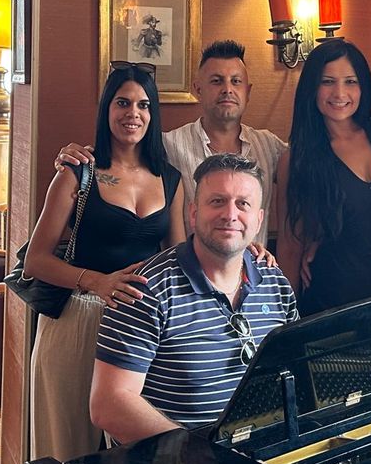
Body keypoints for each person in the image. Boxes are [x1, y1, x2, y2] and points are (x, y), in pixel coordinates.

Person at [24, 62, 185, 461]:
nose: (134, 113)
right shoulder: (78, 172)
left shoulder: (171, 179)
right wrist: (97, 282)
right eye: (123, 103)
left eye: (144, 105)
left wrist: (248, 253)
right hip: (77, 319)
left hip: (139, 327)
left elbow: (179, 258)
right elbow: (35, 261)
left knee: (134, 454)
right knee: (66, 449)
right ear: (106, 109)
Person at [90, 153, 297, 443]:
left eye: (243, 204)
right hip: (177, 459)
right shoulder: (144, 290)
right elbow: (109, 407)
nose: (230, 215)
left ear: (259, 219)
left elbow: (295, 371)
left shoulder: (275, 282)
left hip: (265, 452)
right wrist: (198, 452)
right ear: (193, 213)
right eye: (217, 201)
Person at [56, 40, 286, 244]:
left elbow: (304, 172)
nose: (227, 89)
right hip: (185, 274)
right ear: (198, 89)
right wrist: (75, 156)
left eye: (236, 81)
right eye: (217, 81)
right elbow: (121, 154)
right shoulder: (167, 145)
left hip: (253, 274)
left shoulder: (270, 147)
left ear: (248, 91)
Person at [275, 40, 371, 315]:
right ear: (311, 88)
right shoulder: (295, 160)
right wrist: (286, 319)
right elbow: (290, 244)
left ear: (363, 86)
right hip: (338, 293)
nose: (340, 93)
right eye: (327, 82)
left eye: (351, 81)